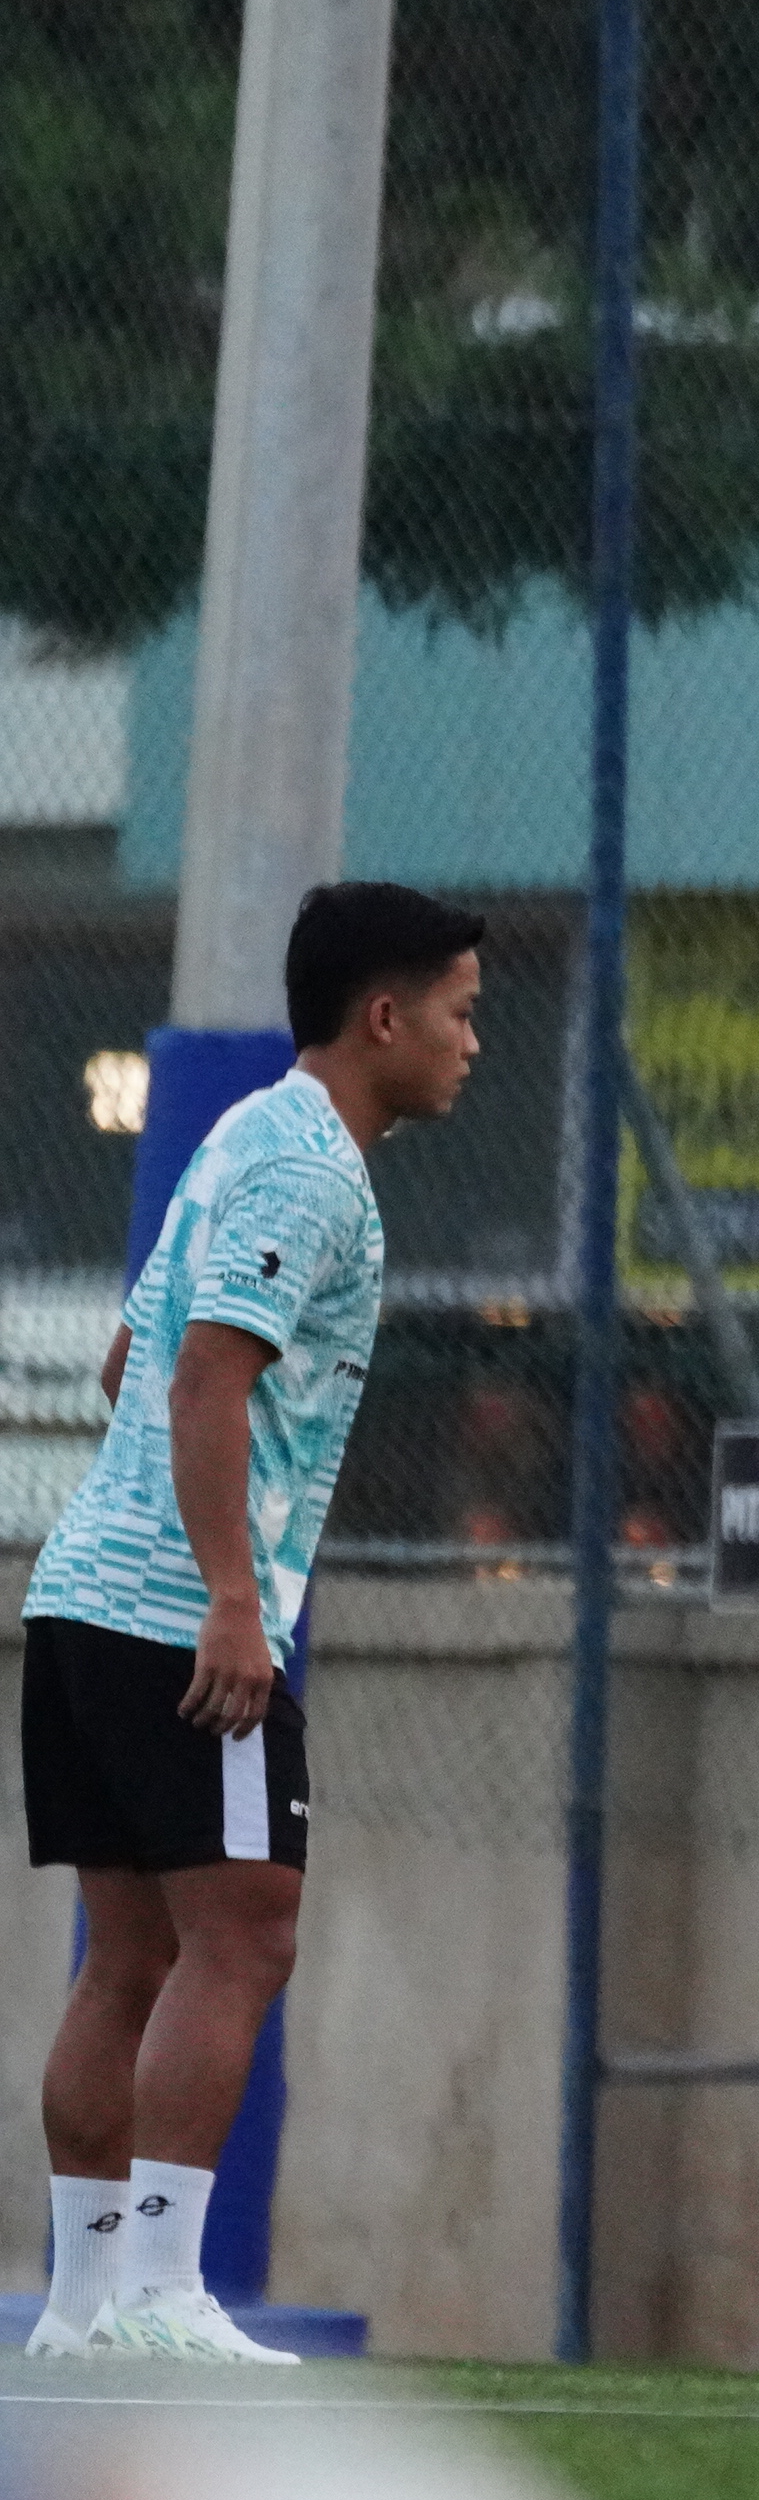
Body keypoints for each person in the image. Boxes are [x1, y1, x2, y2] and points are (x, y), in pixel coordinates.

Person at [24, 882, 484, 2366]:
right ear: (387, 1016)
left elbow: (126, 1360)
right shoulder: (312, 1171)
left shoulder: (239, 1137)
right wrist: (233, 1592)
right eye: (465, 1012)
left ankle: (84, 2310)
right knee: (249, 1934)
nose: (476, 1042)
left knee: (128, 1957)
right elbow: (201, 1377)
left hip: (87, 1591)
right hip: (178, 1612)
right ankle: (161, 2295)